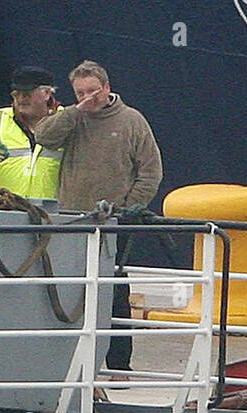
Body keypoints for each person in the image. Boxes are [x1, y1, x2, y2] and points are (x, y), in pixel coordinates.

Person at [34, 60, 163, 371]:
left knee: (115, 290)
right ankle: (69, 362)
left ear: (106, 88)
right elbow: (43, 136)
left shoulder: (132, 121)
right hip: (72, 221)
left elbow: (150, 171)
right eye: (80, 92)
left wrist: (128, 209)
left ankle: (119, 365)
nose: (87, 97)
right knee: (70, 289)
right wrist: (75, 111)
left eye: (92, 91)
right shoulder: (72, 119)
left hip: (113, 222)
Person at [0, 66, 63, 200]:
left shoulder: (66, 121)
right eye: (16, 94)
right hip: (5, 210)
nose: (21, 99)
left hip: (52, 214)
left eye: (27, 94)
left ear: (47, 93)